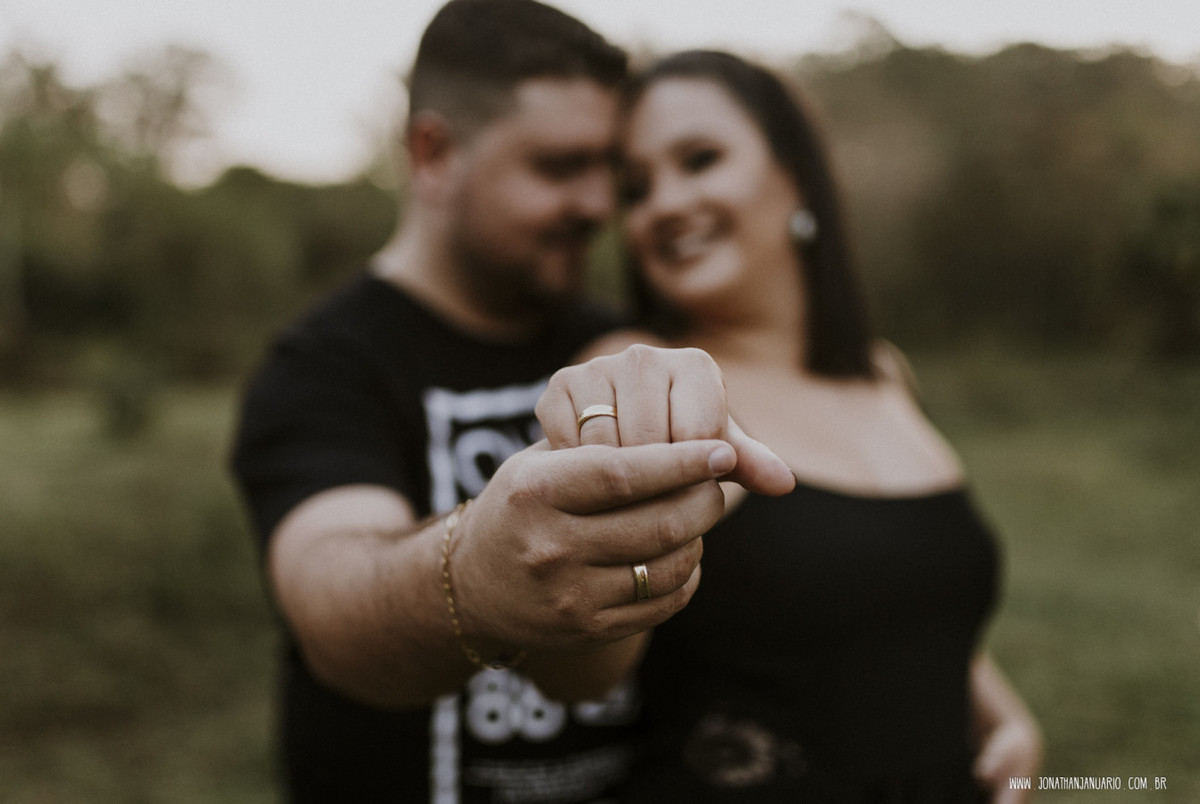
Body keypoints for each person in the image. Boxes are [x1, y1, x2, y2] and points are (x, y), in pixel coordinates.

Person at [229, 6, 793, 802]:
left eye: (610, 169)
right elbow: (332, 603)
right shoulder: (324, 369)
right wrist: (477, 569)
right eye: (560, 166)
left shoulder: (626, 345)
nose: (601, 203)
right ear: (434, 154)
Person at [536, 50, 1043, 801]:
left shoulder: (882, 372)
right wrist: (621, 532)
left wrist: (1006, 720)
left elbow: (898, 596)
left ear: (795, 174)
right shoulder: (650, 380)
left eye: (700, 159)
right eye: (636, 187)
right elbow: (573, 669)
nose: (663, 204)